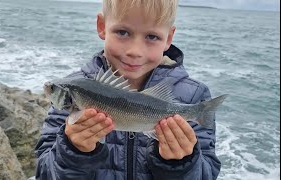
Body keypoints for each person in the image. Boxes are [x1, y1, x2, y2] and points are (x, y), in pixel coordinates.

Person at [35, 0, 221, 179]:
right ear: (102, 26)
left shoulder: (195, 96)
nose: (135, 51)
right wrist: (72, 150)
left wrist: (183, 164)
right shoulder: (69, 99)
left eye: (152, 36)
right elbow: (45, 172)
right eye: (123, 32)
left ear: (169, 39)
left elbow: (207, 172)